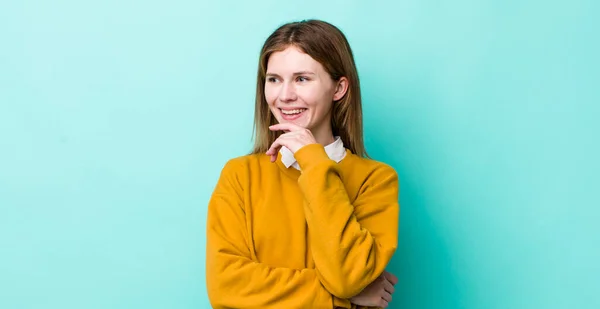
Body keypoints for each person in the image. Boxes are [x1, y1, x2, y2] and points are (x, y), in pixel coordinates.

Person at [206, 19, 400, 309]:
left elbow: (346, 277)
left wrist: (313, 160)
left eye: (302, 79)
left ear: (339, 88)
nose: (284, 95)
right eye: (274, 79)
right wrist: (336, 298)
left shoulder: (376, 180)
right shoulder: (240, 175)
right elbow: (226, 286)